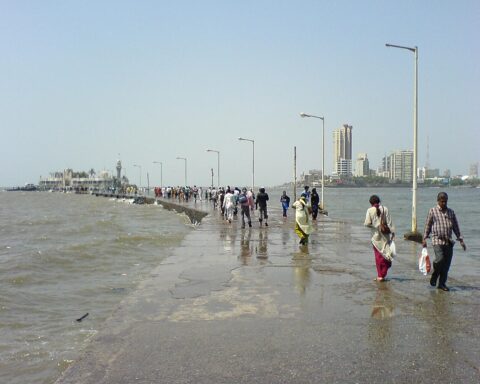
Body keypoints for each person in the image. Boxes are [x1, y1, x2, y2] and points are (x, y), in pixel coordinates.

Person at [422, 192, 466, 291]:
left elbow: (456, 227)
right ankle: (435, 274)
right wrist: (424, 238)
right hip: (437, 240)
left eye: (445, 201)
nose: (444, 203)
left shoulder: (451, 212)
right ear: (438, 201)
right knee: (440, 259)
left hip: (448, 241)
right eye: (442, 201)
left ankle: (442, 284)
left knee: (446, 265)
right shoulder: (432, 211)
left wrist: (461, 240)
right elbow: (428, 225)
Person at [364, 195, 395, 282]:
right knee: (386, 254)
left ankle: (380, 275)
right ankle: (383, 273)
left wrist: (375, 226)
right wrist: (393, 232)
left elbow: (366, 223)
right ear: (379, 201)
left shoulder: (369, 210)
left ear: (371, 203)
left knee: (378, 256)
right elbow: (389, 222)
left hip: (375, 237)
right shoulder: (385, 209)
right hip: (385, 235)